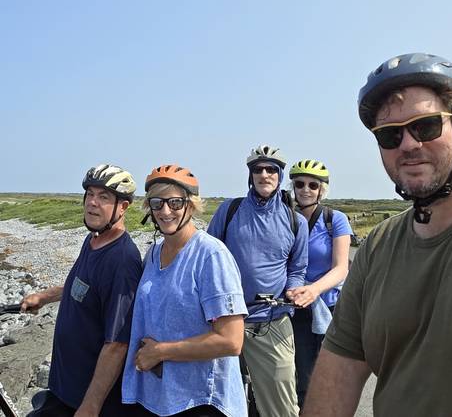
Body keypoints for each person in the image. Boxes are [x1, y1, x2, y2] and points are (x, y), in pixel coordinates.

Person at [302, 53, 452, 417]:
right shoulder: (378, 247)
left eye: (426, 126)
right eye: (390, 134)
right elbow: (338, 374)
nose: (409, 144)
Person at [122, 164, 247, 417]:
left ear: (190, 205)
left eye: (175, 203)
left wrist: (161, 352)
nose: (166, 211)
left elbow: (231, 341)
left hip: (201, 401)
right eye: (157, 203)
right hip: (161, 397)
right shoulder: (154, 252)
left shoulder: (211, 256)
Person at [22, 164, 142, 417]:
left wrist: (91, 406)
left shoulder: (121, 261)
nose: (93, 203)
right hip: (65, 387)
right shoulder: (94, 240)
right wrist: (43, 297)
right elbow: (80, 284)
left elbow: (117, 343)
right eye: (90, 194)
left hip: (89, 400)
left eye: (104, 197)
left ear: (123, 207)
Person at [208, 145, 309, 417]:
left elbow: (298, 268)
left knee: (282, 407)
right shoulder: (229, 210)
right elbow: (209, 258)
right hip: (227, 320)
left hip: (272, 319)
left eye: (271, 169)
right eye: (258, 169)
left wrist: (293, 290)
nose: (264, 174)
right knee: (216, 399)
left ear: (279, 175)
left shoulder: (295, 221)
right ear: (250, 175)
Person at [287, 159, 352, 409]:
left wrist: (313, 290)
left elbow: (341, 267)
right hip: (295, 307)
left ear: (321, 190)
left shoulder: (334, 219)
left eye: (313, 185)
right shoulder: (286, 218)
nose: (305, 189)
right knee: (300, 377)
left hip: (328, 307)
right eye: (299, 183)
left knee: (328, 377)